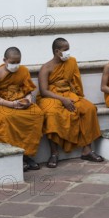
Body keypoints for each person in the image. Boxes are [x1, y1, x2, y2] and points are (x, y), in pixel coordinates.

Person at [37, 37, 103, 168]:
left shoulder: (71, 62)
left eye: (68, 49)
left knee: (89, 108)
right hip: (51, 96)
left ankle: (87, 150)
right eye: (65, 50)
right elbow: (44, 91)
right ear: (57, 51)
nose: (68, 53)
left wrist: (73, 97)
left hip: (69, 93)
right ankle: (54, 153)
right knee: (51, 113)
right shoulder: (46, 68)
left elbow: (75, 82)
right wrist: (62, 100)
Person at [0, 47, 44, 171]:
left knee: (38, 114)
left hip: (20, 102)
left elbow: (28, 91)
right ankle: (16, 155)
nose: (15, 65)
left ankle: (27, 154)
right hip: (3, 104)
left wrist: (28, 101)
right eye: (12, 62)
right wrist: (12, 104)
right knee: (7, 117)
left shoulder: (23, 70)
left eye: (18, 62)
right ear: (5, 60)